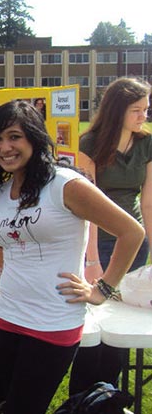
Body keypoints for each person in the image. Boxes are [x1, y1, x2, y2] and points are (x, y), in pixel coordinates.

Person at [0, 100, 144, 414]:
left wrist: (102, 290)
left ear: (34, 138)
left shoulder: (64, 184)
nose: (5, 147)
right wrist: (13, 276)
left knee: (23, 408)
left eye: (14, 136)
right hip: (8, 315)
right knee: (9, 400)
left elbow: (131, 232)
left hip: (52, 321)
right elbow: (0, 242)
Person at [69, 77, 152, 395]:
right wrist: (91, 259)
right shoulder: (88, 144)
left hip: (133, 246)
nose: (144, 115)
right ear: (118, 110)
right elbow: (84, 206)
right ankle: (82, 394)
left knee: (122, 322)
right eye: (137, 109)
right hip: (98, 241)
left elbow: (148, 202)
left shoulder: (146, 144)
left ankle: (109, 394)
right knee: (93, 322)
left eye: (146, 108)